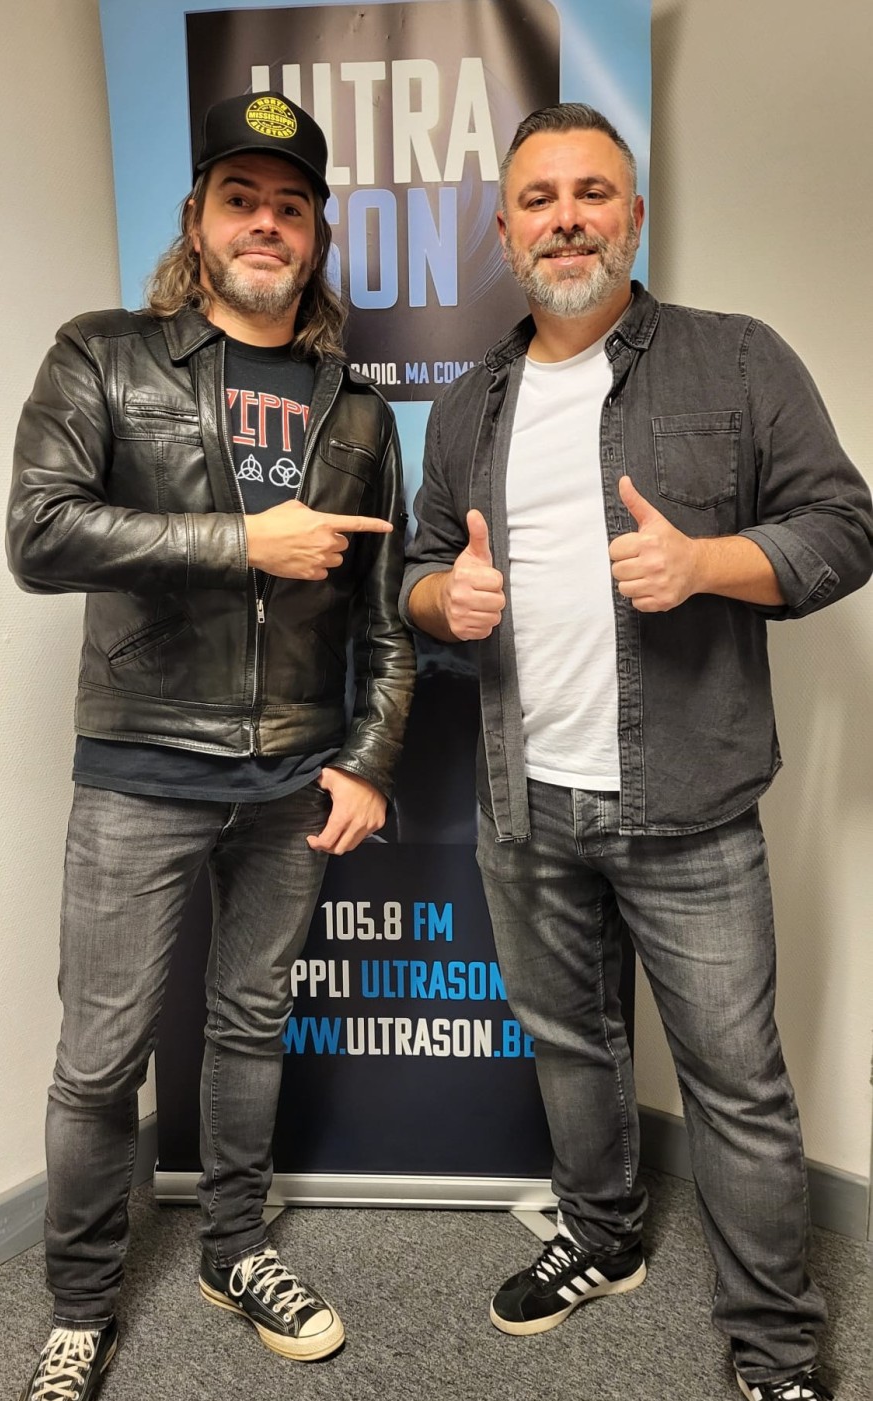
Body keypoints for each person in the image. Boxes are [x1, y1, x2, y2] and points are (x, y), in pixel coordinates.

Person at [402, 103, 872, 1401]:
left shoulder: (738, 359)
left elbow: (845, 526)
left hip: (692, 802)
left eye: (592, 193)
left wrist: (709, 563)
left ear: (634, 215)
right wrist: (443, 600)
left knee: (736, 1085)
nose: (567, 219)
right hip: (523, 800)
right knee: (573, 1049)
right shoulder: (466, 409)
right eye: (539, 199)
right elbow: (418, 570)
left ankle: (774, 1348)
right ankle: (602, 1236)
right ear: (505, 232)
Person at [7, 90, 414, 1399]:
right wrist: (242, 541)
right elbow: (39, 533)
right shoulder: (104, 355)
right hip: (140, 766)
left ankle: (234, 1249)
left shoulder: (360, 412)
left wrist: (370, 758)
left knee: (251, 1024)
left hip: (294, 776)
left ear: (319, 236)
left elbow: (384, 619)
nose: (266, 223)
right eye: (242, 199)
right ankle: (79, 1305)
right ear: (197, 220)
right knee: (99, 1059)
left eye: (292, 205)